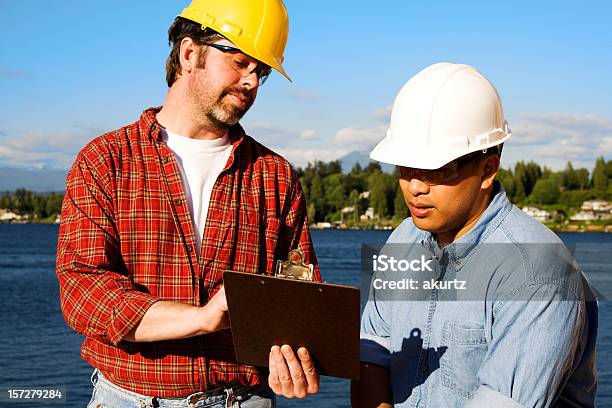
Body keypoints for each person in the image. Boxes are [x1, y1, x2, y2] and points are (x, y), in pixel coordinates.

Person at [56, 0, 321, 406]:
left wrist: (295, 356)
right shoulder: (104, 161)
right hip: (128, 399)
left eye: (260, 72)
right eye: (241, 62)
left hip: (244, 398)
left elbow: (301, 295)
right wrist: (201, 319)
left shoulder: (276, 175)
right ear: (189, 53)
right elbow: (84, 292)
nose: (250, 82)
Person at [352, 62, 597, 407]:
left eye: (439, 169)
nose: (415, 186)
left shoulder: (539, 274)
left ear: (487, 169)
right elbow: (373, 350)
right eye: (405, 166)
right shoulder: (403, 240)